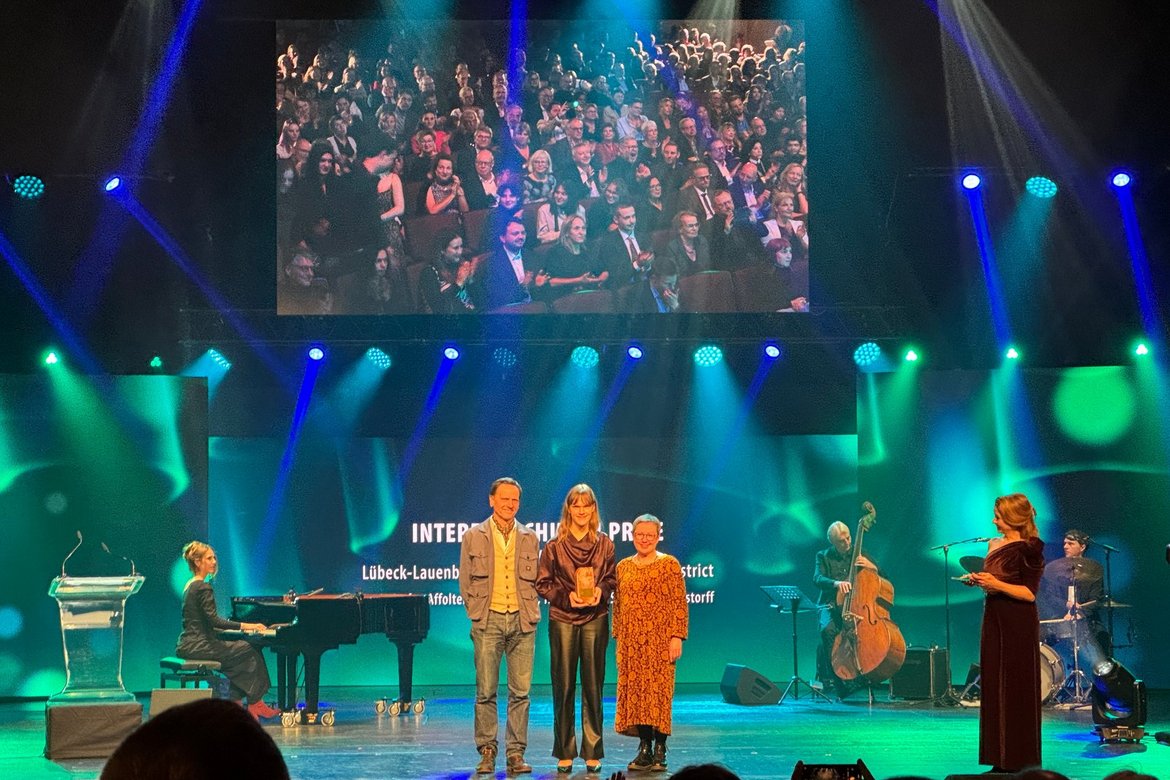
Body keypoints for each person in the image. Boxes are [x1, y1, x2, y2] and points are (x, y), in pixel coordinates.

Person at [459, 478, 541, 776]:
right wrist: (477, 613)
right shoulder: (473, 535)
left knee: (521, 693)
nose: (510, 504)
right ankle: (488, 751)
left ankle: (516, 754)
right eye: (504, 499)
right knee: (486, 691)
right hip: (488, 620)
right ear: (491, 500)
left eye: (515, 500)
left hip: (522, 621)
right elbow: (465, 581)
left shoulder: (530, 537)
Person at [535, 484, 617, 774]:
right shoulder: (554, 546)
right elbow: (543, 584)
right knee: (564, 685)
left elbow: (611, 579)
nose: (581, 511)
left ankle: (593, 750)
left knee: (594, 686)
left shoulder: (605, 544)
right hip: (562, 619)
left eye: (586, 505)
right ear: (568, 509)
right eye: (576, 505)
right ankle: (565, 750)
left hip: (595, 617)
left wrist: (600, 592)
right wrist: (564, 596)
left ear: (593, 509)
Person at [962, 493, 1045, 773]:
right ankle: (998, 758)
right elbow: (994, 583)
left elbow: (1028, 593)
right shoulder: (994, 545)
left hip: (1018, 623)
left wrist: (996, 584)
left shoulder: (1029, 549)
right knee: (995, 686)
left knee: (1016, 687)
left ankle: (1020, 759)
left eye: (998, 516)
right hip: (994, 620)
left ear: (1013, 520)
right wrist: (980, 581)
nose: (993, 521)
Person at [613, 514, 688, 774]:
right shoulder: (623, 566)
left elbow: (679, 603)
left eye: (650, 535)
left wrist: (677, 636)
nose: (644, 539)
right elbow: (619, 606)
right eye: (639, 534)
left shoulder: (669, 564)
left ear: (658, 537)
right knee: (637, 696)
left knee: (658, 694)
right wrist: (619, 639)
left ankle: (660, 748)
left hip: (660, 641)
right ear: (632, 536)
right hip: (632, 642)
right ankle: (644, 747)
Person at [174, 542, 281, 721]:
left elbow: (204, 622)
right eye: (209, 558)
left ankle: (238, 703)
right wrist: (249, 626)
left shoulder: (190, 585)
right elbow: (214, 620)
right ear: (198, 562)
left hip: (188, 644)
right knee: (249, 649)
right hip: (199, 645)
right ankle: (255, 703)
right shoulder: (203, 587)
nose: (214, 561)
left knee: (240, 657)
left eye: (214, 557)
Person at [100, 699, 289, 779]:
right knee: (246, 657)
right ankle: (255, 702)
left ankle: (252, 702)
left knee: (245, 655)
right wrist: (243, 628)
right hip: (199, 643)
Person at [812, 521, 876, 699]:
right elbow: (817, 579)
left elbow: (882, 575)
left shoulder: (859, 553)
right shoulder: (823, 556)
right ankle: (840, 684)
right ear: (832, 542)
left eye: (848, 537)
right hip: (829, 605)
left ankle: (864, 677)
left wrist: (872, 567)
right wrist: (836, 584)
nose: (847, 542)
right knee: (828, 631)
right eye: (841, 541)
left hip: (856, 607)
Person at [1037, 529, 1109, 677]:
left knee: (1103, 638)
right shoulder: (1055, 570)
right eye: (1064, 543)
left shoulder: (1094, 571)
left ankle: (1103, 685)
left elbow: (1097, 598)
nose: (1065, 546)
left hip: (1087, 620)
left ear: (1082, 547)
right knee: (1037, 638)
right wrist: (1066, 606)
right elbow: (1050, 596)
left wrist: (1081, 612)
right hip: (1060, 618)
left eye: (1070, 543)